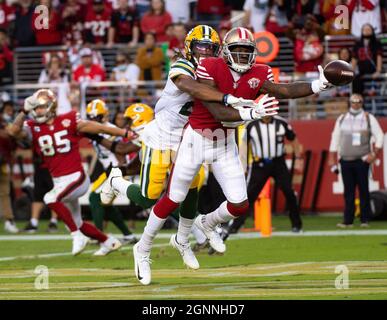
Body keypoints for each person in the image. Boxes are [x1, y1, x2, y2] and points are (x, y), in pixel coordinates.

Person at [113, 26, 333, 286]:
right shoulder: (206, 67)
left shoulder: (259, 71)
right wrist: (243, 108)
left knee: (240, 204)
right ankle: (144, 247)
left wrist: (317, 85)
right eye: (236, 50)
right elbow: (214, 108)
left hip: (224, 143)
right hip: (192, 138)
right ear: (225, 52)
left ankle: (206, 224)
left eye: (246, 51)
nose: (241, 56)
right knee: (172, 197)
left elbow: (282, 90)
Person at [7, 89, 135, 256]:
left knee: (49, 198)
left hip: (77, 177)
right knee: (77, 222)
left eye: (42, 107)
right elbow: (12, 132)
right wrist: (23, 111)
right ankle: (108, 241)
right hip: (60, 180)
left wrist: (124, 132)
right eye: (36, 108)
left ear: (52, 106)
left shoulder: (68, 119)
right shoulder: (33, 126)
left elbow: (96, 127)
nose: (38, 111)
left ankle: (77, 236)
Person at [225, 115, 303, 236]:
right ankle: (235, 225)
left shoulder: (281, 122)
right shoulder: (251, 125)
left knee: (289, 193)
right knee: (249, 195)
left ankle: (297, 224)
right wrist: (243, 164)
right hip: (259, 164)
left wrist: (298, 157)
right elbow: (244, 144)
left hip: (278, 163)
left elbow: (293, 138)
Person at [85, 99, 137, 246]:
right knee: (104, 204)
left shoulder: (109, 130)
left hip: (116, 169)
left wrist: (122, 171)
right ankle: (128, 235)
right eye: (91, 117)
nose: (93, 120)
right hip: (109, 169)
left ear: (104, 115)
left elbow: (120, 151)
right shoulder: (94, 128)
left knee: (95, 198)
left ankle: (99, 236)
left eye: (96, 117)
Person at [328, 93, 384, 228]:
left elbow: (380, 136)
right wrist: (332, 158)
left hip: (362, 160)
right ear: (350, 103)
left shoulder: (368, 118)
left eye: (359, 101)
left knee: (364, 190)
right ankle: (348, 220)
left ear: (362, 103)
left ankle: (365, 219)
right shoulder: (342, 118)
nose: (356, 104)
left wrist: (374, 154)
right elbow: (335, 138)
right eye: (353, 101)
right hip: (345, 160)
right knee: (348, 191)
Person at [0, 104, 18, 233]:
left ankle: (8, 220)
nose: (9, 112)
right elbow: (7, 134)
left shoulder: (6, 122)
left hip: (3, 160)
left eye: (11, 110)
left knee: (5, 192)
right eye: (7, 110)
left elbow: (14, 137)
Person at [352, 24, 383, 95]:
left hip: (374, 72)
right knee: (357, 87)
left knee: (376, 94)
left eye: (369, 29)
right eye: (364, 29)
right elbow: (354, 58)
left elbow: (379, 57)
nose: (366, 31)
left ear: (372, 31)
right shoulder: (357, 44)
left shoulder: (377, 43)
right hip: (361, 73)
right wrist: (352, 71)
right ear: (362, 31)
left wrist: (378, 71)